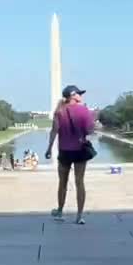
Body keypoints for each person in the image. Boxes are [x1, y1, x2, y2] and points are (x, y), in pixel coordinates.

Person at [45, 84, 95, 224]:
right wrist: (93, 118)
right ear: (73, 95)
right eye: (79, 93)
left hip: (64, 151)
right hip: (80, 150)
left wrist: (49, 149)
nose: (81, 95)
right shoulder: (84, 110)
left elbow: (54, 131)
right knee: (80, 182)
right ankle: (79, 216)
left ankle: (60, 211)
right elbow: (90, 131)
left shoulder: (59, 111)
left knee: (62, 183)